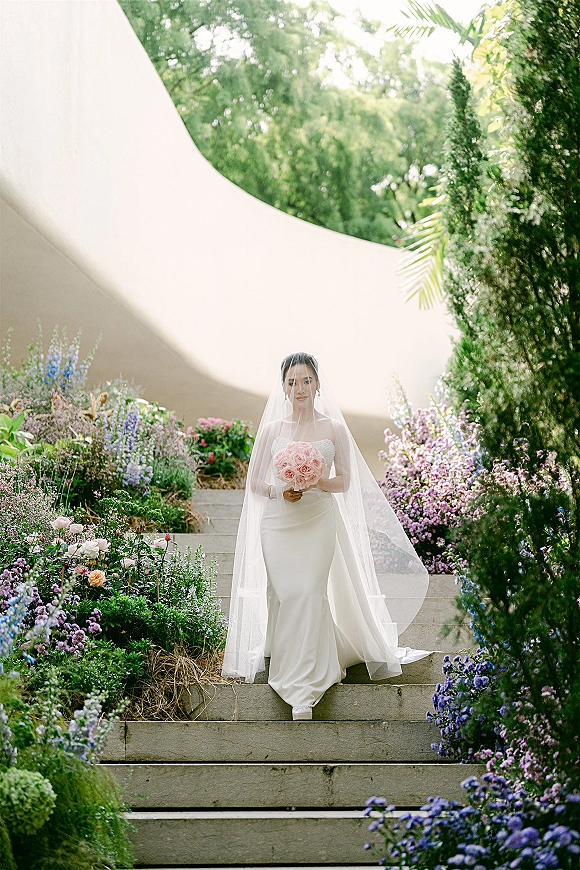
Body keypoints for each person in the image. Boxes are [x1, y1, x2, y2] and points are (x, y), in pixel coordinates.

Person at [222, 352, 430, 719]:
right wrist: (279, 490)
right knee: (287, 593)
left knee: (308, 592)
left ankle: (304, 685)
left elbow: (346, 480)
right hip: (278, 521)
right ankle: (300, 655)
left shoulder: (333, 428)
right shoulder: (272, 430)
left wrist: (315, 481)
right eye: (291, 382)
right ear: (283, 388)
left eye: (305, 380)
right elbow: (255, 481)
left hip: (317, 517)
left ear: (317, 383)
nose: (299, 388)